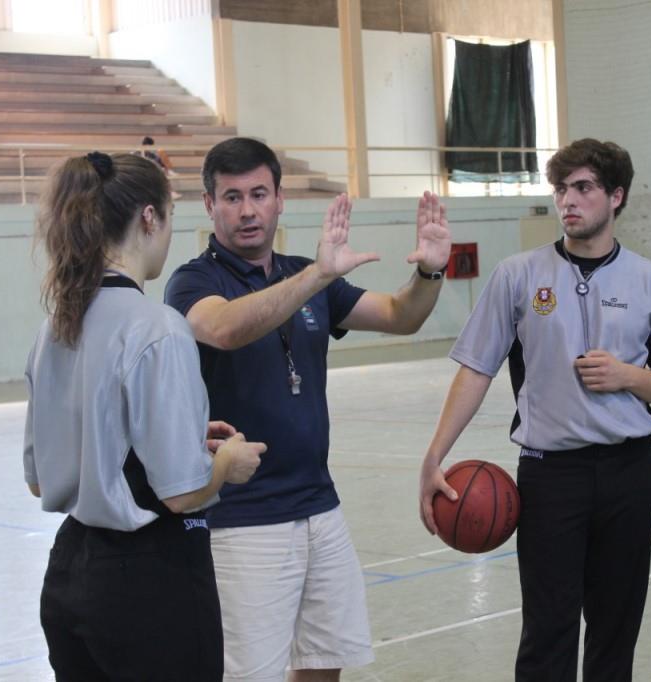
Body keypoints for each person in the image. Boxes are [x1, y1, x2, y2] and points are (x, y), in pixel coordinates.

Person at [163, 137, 451, 681]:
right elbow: (224, 328)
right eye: (230, 197)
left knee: (323, 666)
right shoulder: (194, 282)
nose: (247, 210)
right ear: (208, 205)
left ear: (278, 200)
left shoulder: (306, 272)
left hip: (320, 506)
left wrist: (431, 272)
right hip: (241, 521)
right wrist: (316, 276)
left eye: (258, 194)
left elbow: (399, 315)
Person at [418, 138, 651, 681]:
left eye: (584, 188)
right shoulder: (518, 275)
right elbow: (476, 369)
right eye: (561, 188)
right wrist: (435, 455)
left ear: (616, 197)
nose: (568, 200)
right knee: (548, 630)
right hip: (550, 475)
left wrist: (627, 377)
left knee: (616, 629)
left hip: (629, 471)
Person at [23, 151, 266, 681]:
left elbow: (44, 480)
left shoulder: (54, 327)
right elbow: (182, 494)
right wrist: (226, 462)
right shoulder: (157, 326)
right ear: (149, 218)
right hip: (149, 585)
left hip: (69, 578)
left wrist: (174, 435)